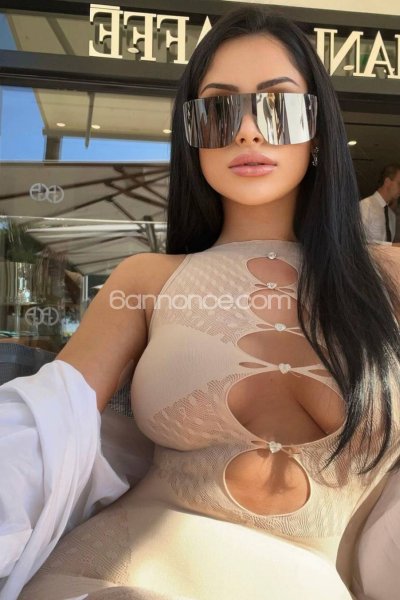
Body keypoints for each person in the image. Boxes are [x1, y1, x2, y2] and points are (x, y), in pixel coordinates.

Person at [1, 5, 400, 600]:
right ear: (192, 137)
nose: (247, 130)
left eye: (278, 105)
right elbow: (45, 421)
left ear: (317, 129)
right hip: (104, 575)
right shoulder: (147, 279)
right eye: (217, 109)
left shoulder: (387, 276)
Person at [360, 164, 400, 244]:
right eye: (399, 184)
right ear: (387, 182)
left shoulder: (391, 216)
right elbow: (355, 242)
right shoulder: (365, 206)